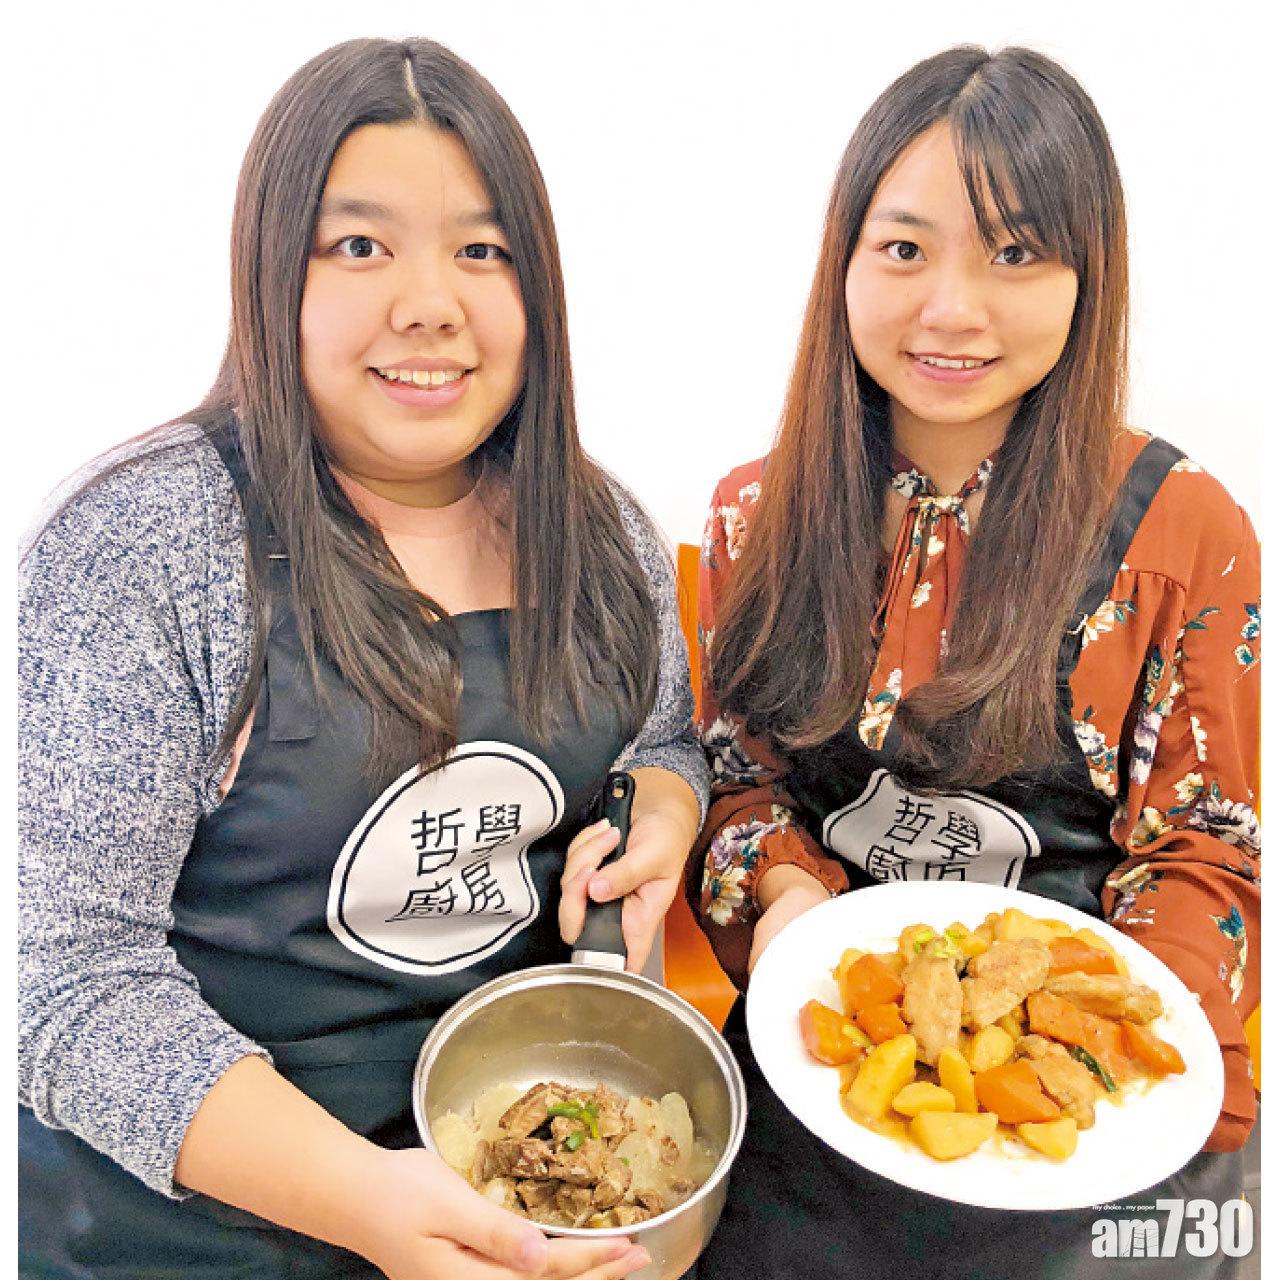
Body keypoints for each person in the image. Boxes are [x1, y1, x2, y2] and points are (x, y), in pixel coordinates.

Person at [17, 36, 708, 1280]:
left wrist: (664, 804)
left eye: (481, 250)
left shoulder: (600, 530)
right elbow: (63, 979)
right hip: (194, 1234)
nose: (429, 302)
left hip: (520, 1188)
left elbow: (658, 739)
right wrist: (371, 1206)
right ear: (268, 271)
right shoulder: (147, 543)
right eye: (358, 245)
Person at [688, 45, 1259, 1280]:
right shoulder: (752, 514)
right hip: (826, 1054)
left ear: (1085, 275)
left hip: (1090, 1110)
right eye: (903, 248)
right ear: (842, 262)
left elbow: (1200, 846)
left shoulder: (1180, 529)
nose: (951, 308)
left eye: (1013, 253)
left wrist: (1110, 1073)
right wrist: (786, 903)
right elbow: (737, 782)